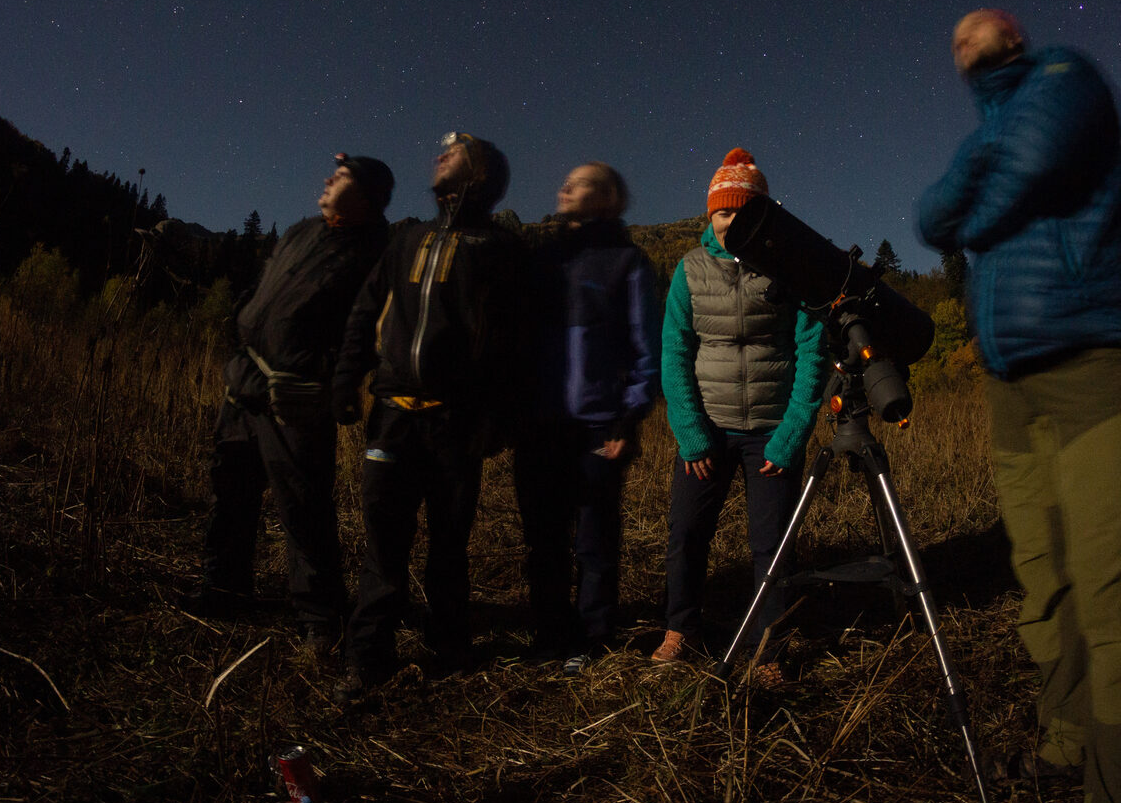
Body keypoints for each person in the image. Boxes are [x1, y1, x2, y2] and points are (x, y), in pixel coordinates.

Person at [916, 9, 1121, 803]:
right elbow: (926, 219)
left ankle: (1114, 791)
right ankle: (1066, 739)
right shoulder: (989, 127)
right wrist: (972, 194)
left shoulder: (1065, 78)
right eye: (953, 38)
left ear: (1013, 34)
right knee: (1043, 582)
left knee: (1108, 589)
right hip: (1011, 385)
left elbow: (1027, 162)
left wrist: (975, 213)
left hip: (1092, 365)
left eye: (975, 28)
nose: (963, 38)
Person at [332, 131, 529, 695]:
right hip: (392, 410)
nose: (442, 147)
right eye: (441, 143)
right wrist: (347, 378)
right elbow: (366, 310)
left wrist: (500, 419)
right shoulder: (406, 239)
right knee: (383, 542)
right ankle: (367, 658)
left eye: (458, 146)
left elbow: (519, 343)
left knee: (449, 541)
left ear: (483, 172)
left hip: (457, 421)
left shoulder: (501, 250)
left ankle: (449, 645)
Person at [183, 153, 394, 654]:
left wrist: (327, 373)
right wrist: (243, 316)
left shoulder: (374, 251)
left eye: (341, 177)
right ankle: (225, 586)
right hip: (247, 381)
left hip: (295, 397)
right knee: (231, 487)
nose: (326, 179)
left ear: (366, 197)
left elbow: (367, 327)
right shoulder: (302, 231)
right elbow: (265, 285)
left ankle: (320, 616)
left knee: (302, 504)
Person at [652, 148, 830, 683]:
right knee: (686, 532)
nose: (730, 221)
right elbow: (675, 352)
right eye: (722, 212)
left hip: (771, 433)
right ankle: (679, 628)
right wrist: (690, 433)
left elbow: (812, 354)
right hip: (707, 430)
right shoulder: (689, 271)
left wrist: (792, 435)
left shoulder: (791, 270)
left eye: (742, 211)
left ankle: (768, 647)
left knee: (771, 545)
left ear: (762, 215)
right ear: (710, 216)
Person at [516, 162, 661, 675]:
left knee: (595, 542)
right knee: (544, 540)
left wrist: (628, 420)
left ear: (607, 199)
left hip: (598, 427)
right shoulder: (542, 259)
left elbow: (649, 350)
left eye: (579, 183)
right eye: (566, 179)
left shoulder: (627, 262)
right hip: (539, 427)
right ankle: (549, 639)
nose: (564, 186)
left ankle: (594, 640)